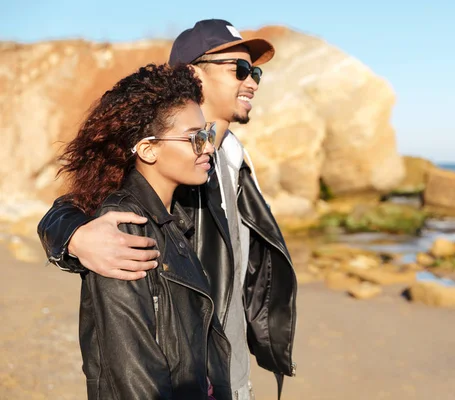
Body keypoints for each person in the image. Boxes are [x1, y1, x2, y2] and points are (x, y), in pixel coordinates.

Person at [37, 19, 297, 400]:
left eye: (255, 70)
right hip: (191, 375)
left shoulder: (234, 157)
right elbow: (75, 207)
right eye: (239, 69)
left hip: (227, 369)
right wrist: (75, 237)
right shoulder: (169, 160)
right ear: (194, 73)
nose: (253, 81)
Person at [58, 62, 229, 399]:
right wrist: (71, 238)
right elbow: (133, 370)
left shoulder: (176, 213)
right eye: (195, 138)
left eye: (206, 134)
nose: (208, 146)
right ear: (149, 149)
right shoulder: (122, 226)